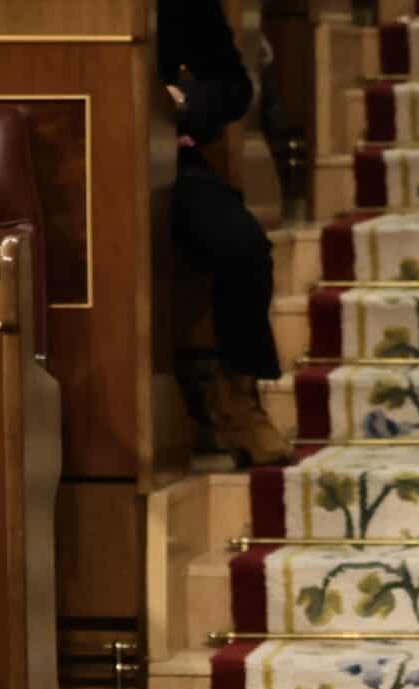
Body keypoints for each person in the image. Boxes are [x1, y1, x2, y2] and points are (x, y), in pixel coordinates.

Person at [160, 0, 288, 467]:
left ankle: (238, 400)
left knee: (243, 245)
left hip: (159, 157)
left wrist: (182, 101)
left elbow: (232, 85)